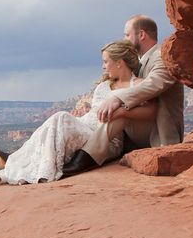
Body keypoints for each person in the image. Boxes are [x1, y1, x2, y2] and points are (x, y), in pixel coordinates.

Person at [0, 40, 157, 187]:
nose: (103, 66)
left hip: (106, 137)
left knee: (61, 117)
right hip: (84, 126)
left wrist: (122, 112)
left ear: (119, 62)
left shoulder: (137, 85)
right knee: (57, 120)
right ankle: (17, 159)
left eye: (105, 62)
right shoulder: (105, 85)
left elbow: (151, 111)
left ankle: (17, 161)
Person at [62, 15, 184, 176]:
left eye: (127, 34)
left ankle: (85, 159)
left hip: (160, 131)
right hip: (140, 127)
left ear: (141, 35)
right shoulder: (141, 62)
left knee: (119, 115)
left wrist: (117, 98)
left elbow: (154, 83)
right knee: (118, 114)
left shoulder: (161, 56)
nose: (124, 39)